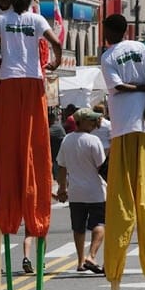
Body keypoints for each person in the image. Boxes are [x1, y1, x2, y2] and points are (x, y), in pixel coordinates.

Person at [0, 0, 62, 284]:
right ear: (28, 0)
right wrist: (57, 60)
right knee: (36, 146)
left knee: (9, 147)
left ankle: (10, 204)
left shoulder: (2, 19)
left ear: (10, 0)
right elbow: (57, 43)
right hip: (33, 83)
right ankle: (32, 205)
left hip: (9, 83)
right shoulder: (37, 19)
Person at [99, 13, 145, 290]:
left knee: (122, 201)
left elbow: (117, 86)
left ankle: (116, 266)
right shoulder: (139, 48)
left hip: (125, 129)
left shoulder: (108, 56)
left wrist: (143, 94)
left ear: (110, 31)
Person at [55, 107, 106, 274]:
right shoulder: (93, 141)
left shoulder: (67, 140)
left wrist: (62, 189)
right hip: (95, 191)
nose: (93, 122)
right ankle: (91, 256)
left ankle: (80, 261)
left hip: (76, 192)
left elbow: (61, 167)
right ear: (81, 122)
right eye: (90, 119)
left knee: (78, 228)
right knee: (99, 223)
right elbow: (101, 167)